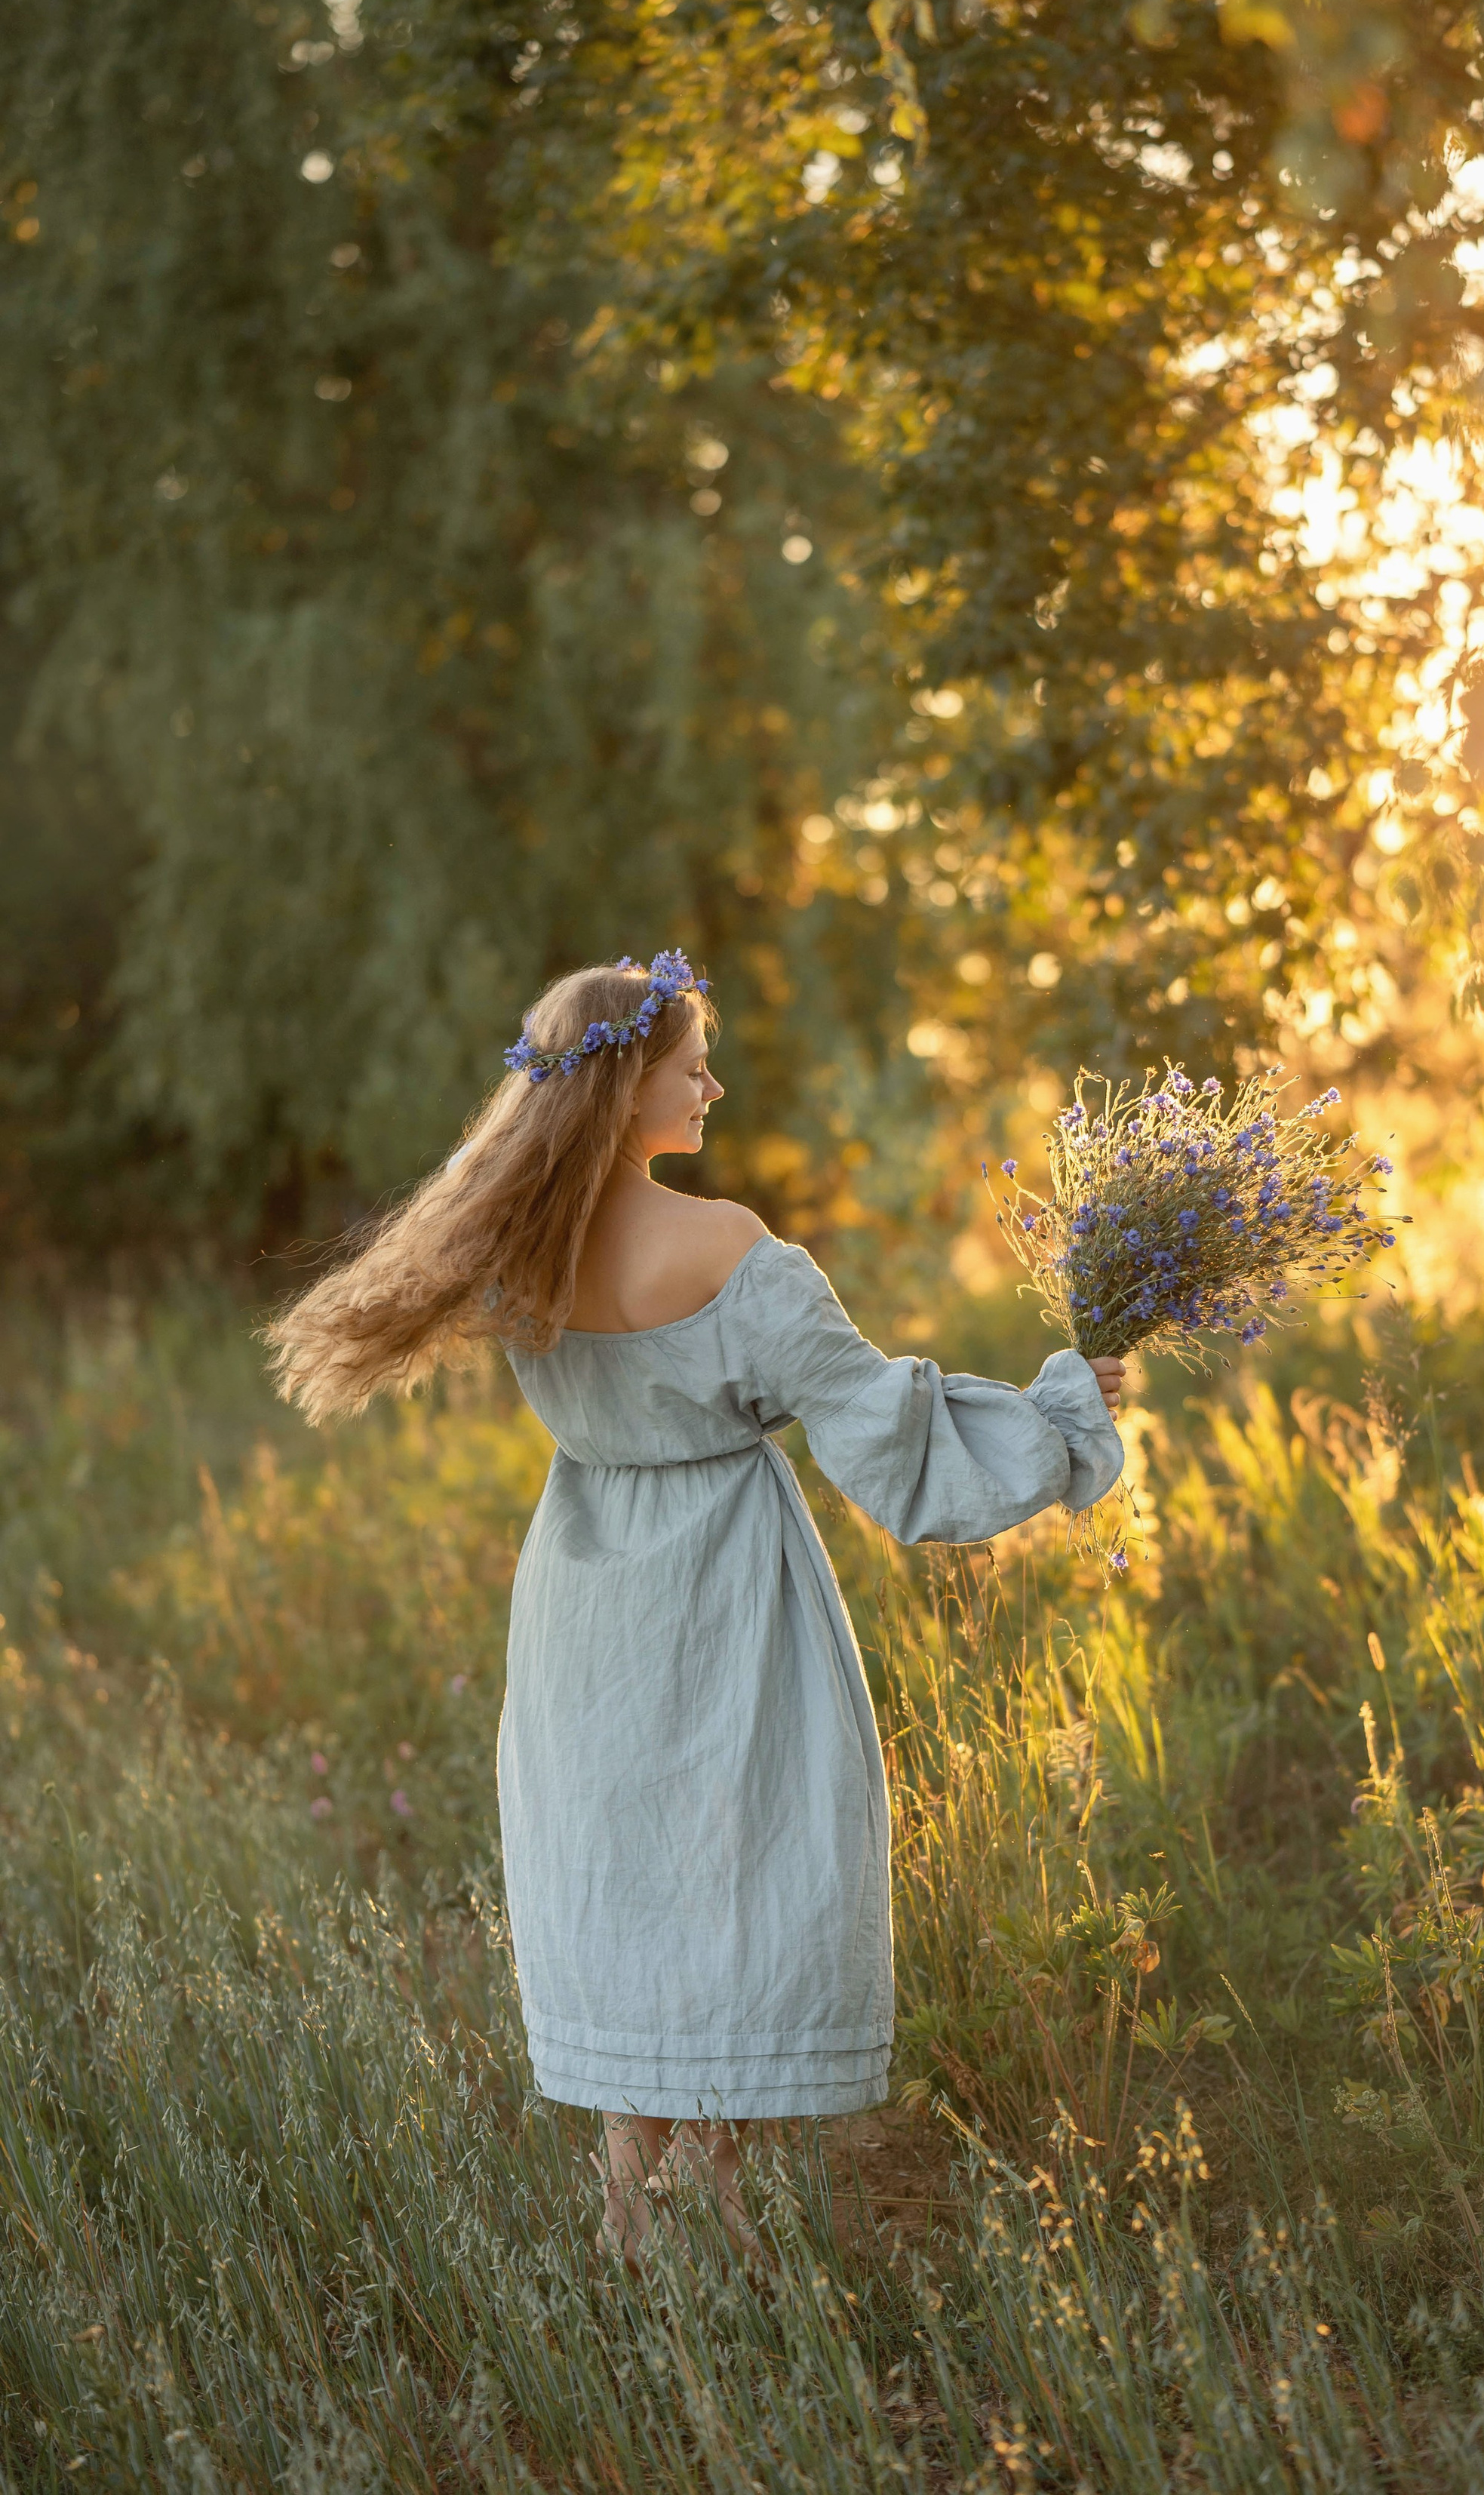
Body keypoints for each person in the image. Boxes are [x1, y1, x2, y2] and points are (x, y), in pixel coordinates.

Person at [266, 951, 1125, 2265]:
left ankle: (631, 2202)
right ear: (624, 1094)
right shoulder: (732, 1252)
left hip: (585, 1596)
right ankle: (714, 2207)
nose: (713, 1084)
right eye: (691, 1066)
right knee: (736, 1861)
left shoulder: (515, 1257)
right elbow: (891, 1439)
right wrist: (1069, 1411)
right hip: (724, 1590)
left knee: (620, 1869)